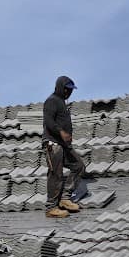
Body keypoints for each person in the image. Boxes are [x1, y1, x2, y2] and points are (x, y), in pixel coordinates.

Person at [43, 76, 86, 218]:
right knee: (56, 174)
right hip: (53, 144)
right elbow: (49, 121)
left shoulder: (62, 102)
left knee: (79, 166)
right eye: (67, 89)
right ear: (60, 87)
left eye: (71, 90)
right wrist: (61, 132)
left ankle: (65, 198)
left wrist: (67, 138)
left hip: (63, 145)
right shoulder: (52, 101)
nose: (69, 92)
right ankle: (51, 208)